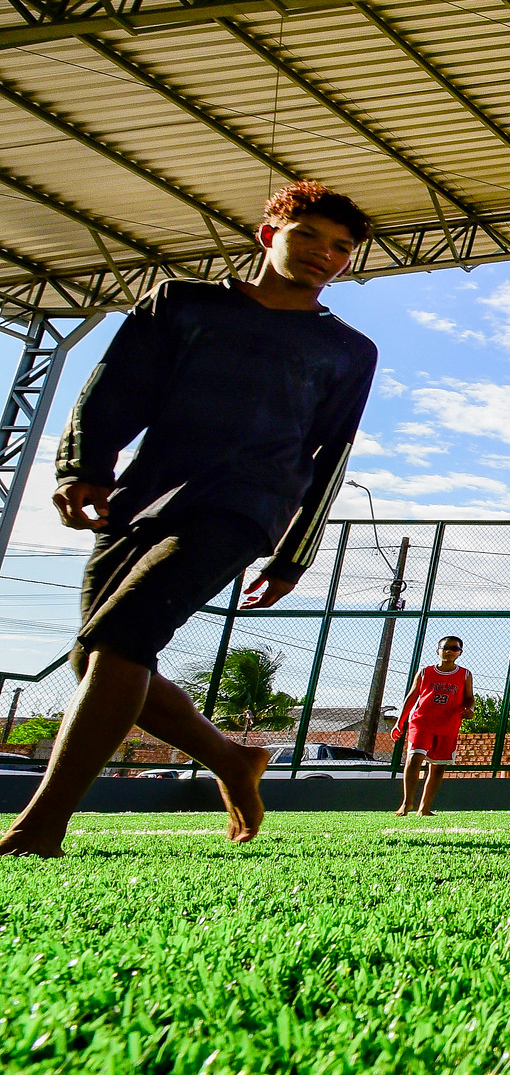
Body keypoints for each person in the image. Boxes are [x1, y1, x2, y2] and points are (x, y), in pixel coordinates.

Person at [1, 183, 377, 858]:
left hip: (247, 504)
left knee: (121, 642)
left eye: (343, 247)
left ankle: (38, 826)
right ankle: (232, 758)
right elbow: (113, 383)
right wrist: (81, 464)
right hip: (146, 495)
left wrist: (293, 551)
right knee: (99, 655)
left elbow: (331, 453)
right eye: (311, 237)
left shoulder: (350, 350)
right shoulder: (181, 302)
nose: (328, 254)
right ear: (269, 236)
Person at [394, 635, 472, 817]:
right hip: (422, 722)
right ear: (438, 650)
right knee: (414, 759)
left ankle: (425, 807)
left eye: (454, 648)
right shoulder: (425, 672)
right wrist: (400, 721)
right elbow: (412, 696)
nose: (449, 651)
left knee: (438, 766)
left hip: (448, 725)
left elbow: (469, 697)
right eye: (446, 648)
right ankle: (407, 804)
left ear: (460, 653)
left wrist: (470, 709)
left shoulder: (465, 674)